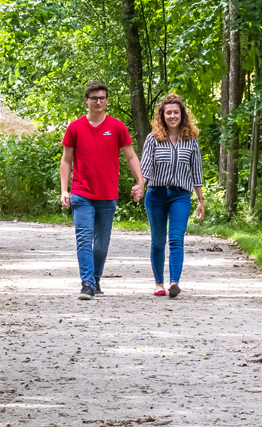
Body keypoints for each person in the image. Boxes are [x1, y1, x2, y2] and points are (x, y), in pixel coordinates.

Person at [60, 80, 144, 300]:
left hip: (107, 193)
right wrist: (64, 189)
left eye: (102, 98)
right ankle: (87, 283)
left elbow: (131, 156)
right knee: (83, 238)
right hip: (81, 192)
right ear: (87, 100)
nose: (98, 101)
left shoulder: (116, 127)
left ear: (107, 101)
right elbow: (66, 160)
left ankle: (95, 278)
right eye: (94, 98)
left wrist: (140, 181)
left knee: (102, 243)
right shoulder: (75, 127)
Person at [133, 93, 205, 298]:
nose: (172, 116)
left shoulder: (191, 140)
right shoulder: (153, 139)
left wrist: (200, 200)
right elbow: (145, 168)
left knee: (176, 238)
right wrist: (140, 186)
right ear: (162, 116)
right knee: (158, 241)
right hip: (155, 194)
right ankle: (158, 284)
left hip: (180, 195)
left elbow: (196, 171)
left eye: (176, 112)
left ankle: (174, 282)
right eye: (168, 113)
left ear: (182, 115)